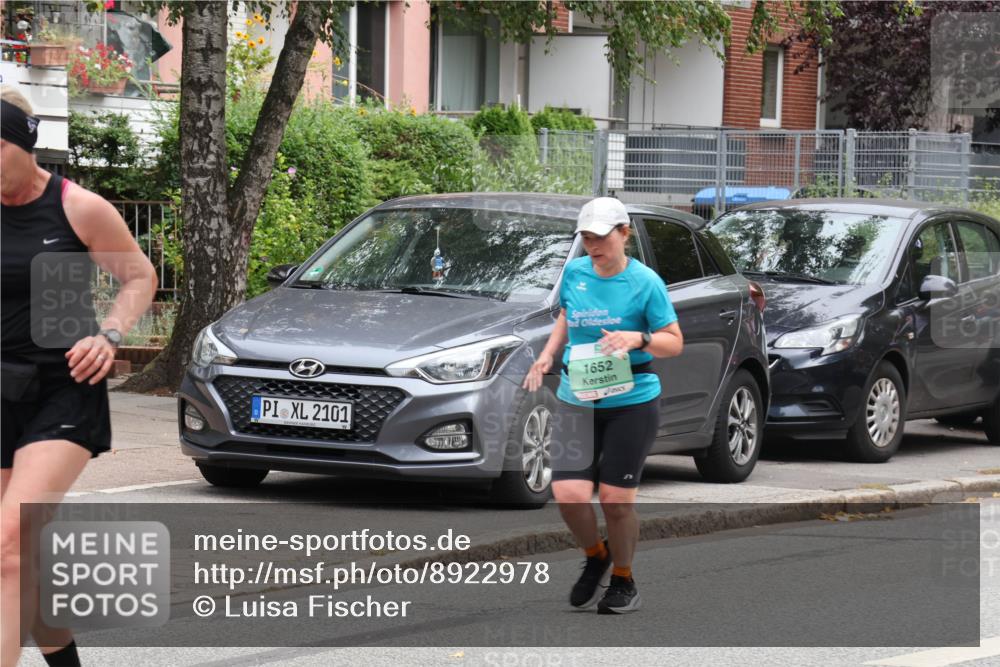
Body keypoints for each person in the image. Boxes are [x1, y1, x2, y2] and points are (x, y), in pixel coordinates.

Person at [1, 86, 157, 666]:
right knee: (21, 562)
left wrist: (109, 333)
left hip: (64, 388)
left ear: (23, 145)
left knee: (10, 546)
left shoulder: (76, 206)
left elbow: (140, 277)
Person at [523, 197, 683, 614]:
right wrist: (548, 354)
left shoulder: (646, 283)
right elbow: (566, 316)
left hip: (631, 401)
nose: (593, 246)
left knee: (615, 499)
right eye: (587, 238)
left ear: (624, 234)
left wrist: (638, 339)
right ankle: (596, 554)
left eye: (601, 237)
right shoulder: (575, 272)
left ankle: (624, 580)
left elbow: (674, 341)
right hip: (578, 399)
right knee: (569, 494)